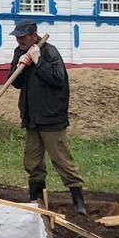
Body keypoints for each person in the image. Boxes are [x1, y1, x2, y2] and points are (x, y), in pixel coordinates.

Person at [9, 21, 88, 216]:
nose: (19, 40)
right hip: (31, 116)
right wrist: (20, 66)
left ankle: (79, 202)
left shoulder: (50, 52)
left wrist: (39, 62)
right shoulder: (20, 52)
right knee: (32, 162)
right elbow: (15, 82)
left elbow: (58, 79)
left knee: (62, 160)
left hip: (52, 116)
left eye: (23, 37)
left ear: (34, 35)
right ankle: (36, 201)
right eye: (17, 37)